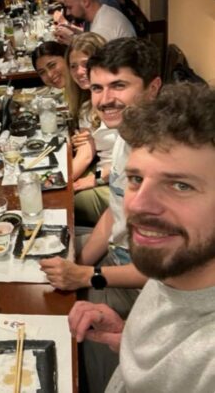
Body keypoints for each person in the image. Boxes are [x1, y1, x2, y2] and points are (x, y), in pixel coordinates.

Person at [69, 82, 215, 393]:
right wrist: (129, 337)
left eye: (180, 186)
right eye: (136, 179)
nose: (137, 204)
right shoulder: (175, 268)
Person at [40, 38, 162, 393]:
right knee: (42, 261)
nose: (105, 99)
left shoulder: (161, 161)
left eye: (119, 85)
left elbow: (163, 272)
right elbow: (113, 211)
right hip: (117, 257)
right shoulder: (125, 135)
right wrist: (77, 260)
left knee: (72, 334)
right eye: (97, 88)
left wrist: (88, 276)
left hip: (144, 287)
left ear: (153, 88)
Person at [65, 33, 117, 227]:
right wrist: (61, 183)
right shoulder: (88, 106)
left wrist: (95, 178)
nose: (79, 71)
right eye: (73, 66)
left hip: (120, 182)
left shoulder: (119, 102)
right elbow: (86, 154)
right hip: (104, 173)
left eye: (85, 63)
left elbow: (128, 160)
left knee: (65, 205)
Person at [60, 0, 135, 44]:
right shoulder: (103, 12)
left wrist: (72, 42)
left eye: (70, 7)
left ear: (85, 2)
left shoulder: (103, 26)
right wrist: (73, 30)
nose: (68, 13)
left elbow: (92, 58)